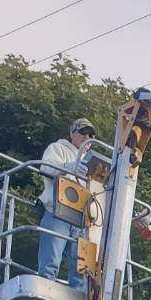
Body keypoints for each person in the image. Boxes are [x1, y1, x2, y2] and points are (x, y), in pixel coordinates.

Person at [37, 118, 96, 288]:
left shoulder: (92, 163)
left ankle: (79, 299)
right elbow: (45, 168)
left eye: (91, 135)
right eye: (83, 133)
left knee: (82, 271)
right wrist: (67, 167)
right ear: (72, 133)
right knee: (50, 262)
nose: (87, 138)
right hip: (57, 212)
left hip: (82, 219)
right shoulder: (58, 148)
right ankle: (46, 294)